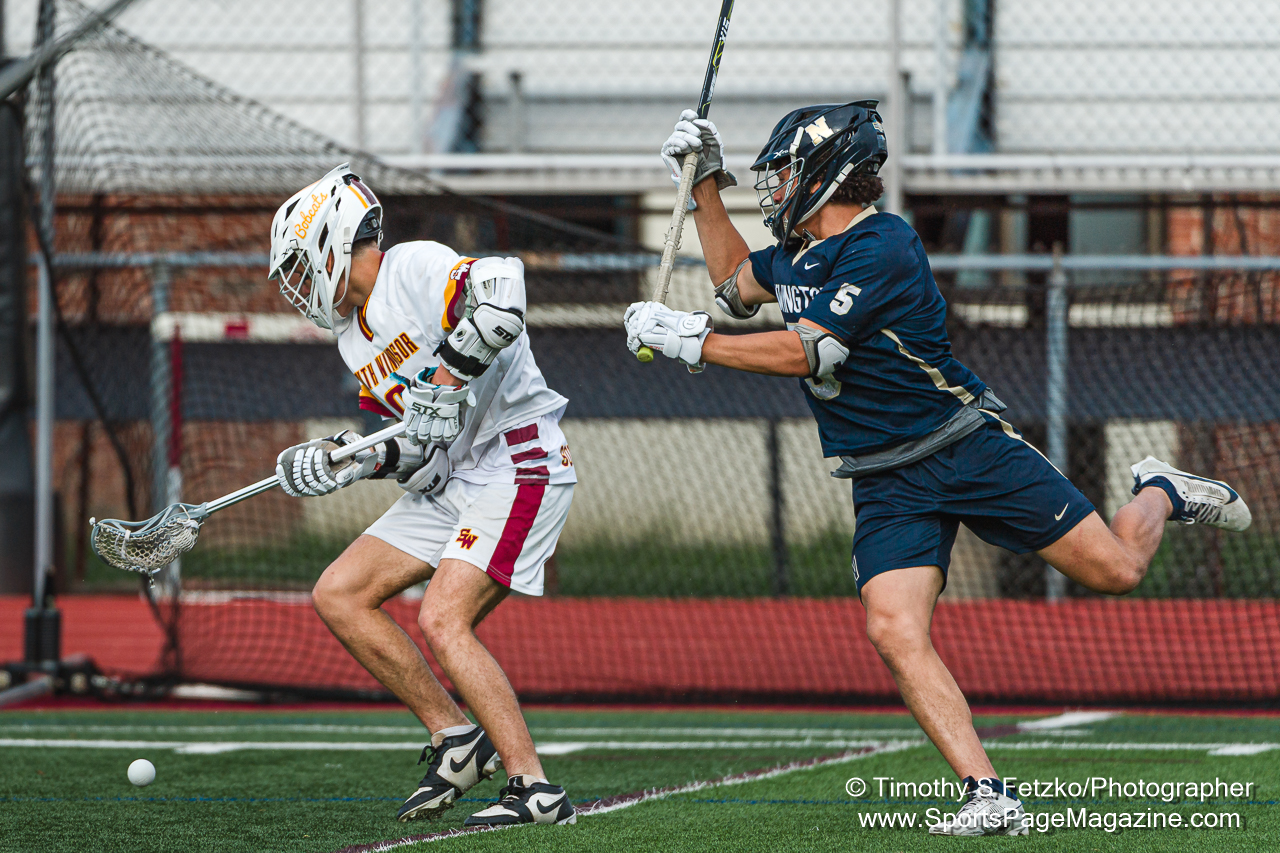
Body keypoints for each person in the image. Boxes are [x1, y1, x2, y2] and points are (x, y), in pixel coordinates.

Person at [625, 103, 1253, 836]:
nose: (775, 187)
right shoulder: (798, 253)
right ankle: (987, 793)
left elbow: (812, 351)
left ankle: (1161, 491)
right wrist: (704, 183)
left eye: (787, 171)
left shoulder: (883, 244)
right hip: (884, 474)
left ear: (828, 173)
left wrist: (693, 343)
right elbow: (736, 284)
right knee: (893, 629)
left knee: (1116, 571)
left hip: (962, 446)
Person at [267, 164, 577, 828]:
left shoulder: (410, 268)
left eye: (297, 263)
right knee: (339, 593)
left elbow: (504, 291)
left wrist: (448, 375)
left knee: (442, 618)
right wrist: (355, 460)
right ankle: (454, 737)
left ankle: (535, 789)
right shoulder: (351, 338)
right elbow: (421, 450)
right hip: (455, 475)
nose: (295, 282)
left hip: (516, 457)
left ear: (331, 241)